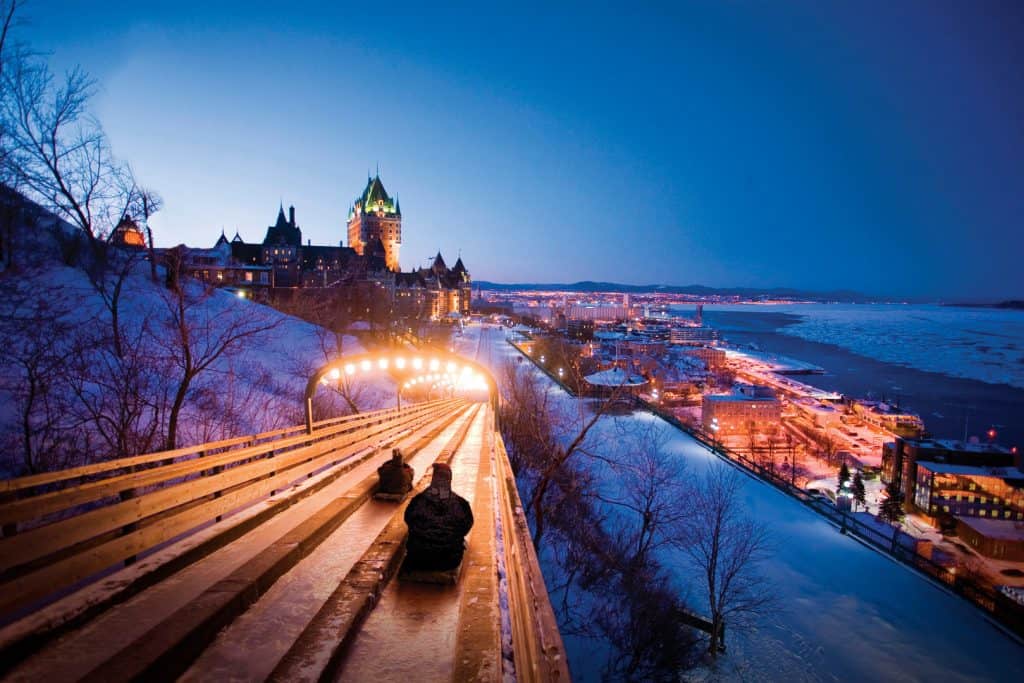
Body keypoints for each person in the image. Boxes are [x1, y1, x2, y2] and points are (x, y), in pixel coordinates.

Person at [403, 462, 473, 571]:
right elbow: (466, 526)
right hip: (449, 559)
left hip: (418, 557)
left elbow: (408, 519)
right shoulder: (461, 503)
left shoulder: (418, 500)